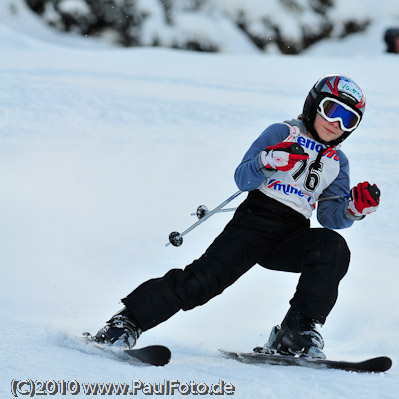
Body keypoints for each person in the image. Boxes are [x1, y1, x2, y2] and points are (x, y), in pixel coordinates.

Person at [92, 74, 381, 359]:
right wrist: (267, 161)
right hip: (254, 223)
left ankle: (296, 333)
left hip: (292, 234)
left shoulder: (338, 162)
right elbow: (243, 178)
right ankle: (127, 322)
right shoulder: (283, 133)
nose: (336, 124)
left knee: (332, 247)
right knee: (203, 282)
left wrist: (352, 209)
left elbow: (331, 218)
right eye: (332, 110)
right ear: (313, 104)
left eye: (348, 119)